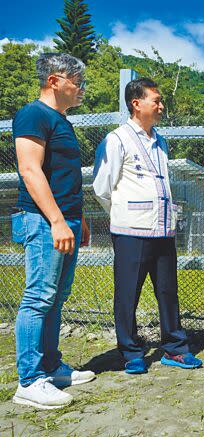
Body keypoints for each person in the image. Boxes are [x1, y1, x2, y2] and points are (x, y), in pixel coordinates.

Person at [93, 78, 202, 374]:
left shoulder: (161, 141)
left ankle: (175, 348)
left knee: (168, 290)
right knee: (128, 293)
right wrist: (124, 214)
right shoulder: (116, 139)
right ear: (136, 103)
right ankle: (131, 351)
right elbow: (102, 187)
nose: (161, 105)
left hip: (163, 229)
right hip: (131, 231)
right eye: (156, 100)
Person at [11, 53, 95, 409]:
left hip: (66, 219)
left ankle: (51, 366)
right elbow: (31, 171)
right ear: (55, 80)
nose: (82, 90)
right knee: (38, 298)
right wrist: (58, 220)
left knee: (56, 298)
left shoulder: (62, 119)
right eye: (78, 82)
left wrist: (78, 219)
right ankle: (29, 381)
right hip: (44, 221)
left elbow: (63, 176)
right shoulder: (34, 114)